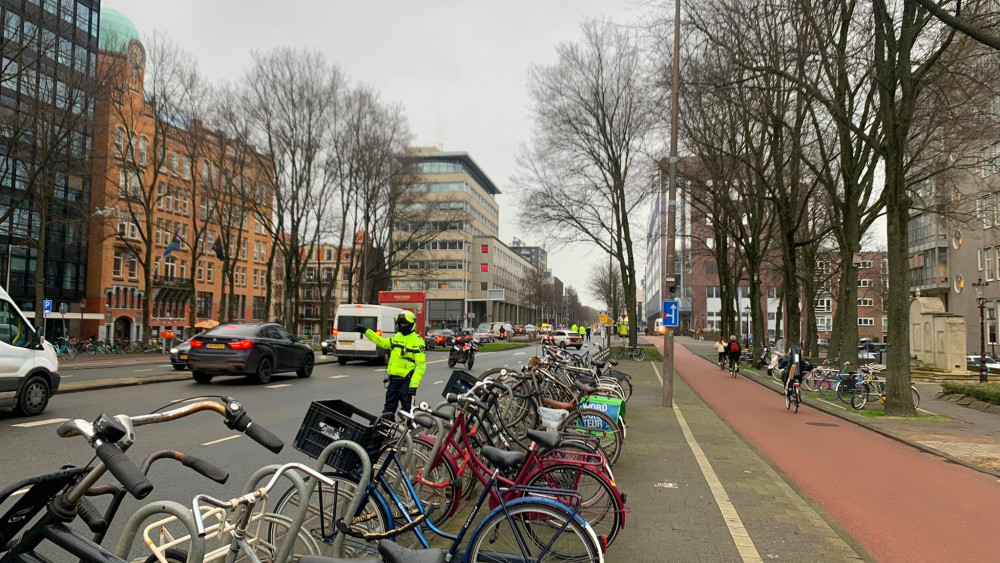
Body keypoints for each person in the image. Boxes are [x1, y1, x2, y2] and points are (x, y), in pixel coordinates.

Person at [356, 311, 426, 415]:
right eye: (401, 323)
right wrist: (366, 331)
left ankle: (410, 430)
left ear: (411, 324)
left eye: (405, 323)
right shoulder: (397, 337)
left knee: (407, 413)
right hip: (393, 381)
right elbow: (383, 342)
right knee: (388, 410)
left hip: (406, 383)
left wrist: (413, 385)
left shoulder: (417, 341)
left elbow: (421, 366)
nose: (402, 326)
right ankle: (384, 430)